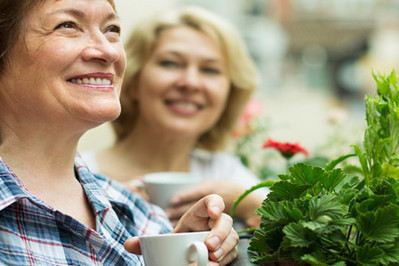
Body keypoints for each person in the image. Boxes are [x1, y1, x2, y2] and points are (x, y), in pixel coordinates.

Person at [0, 0, 238, 265]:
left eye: (112, 29)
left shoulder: (143, 216)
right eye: (67, 25)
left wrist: (181, 255)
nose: (108, 51)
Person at [81, 6, 267, 227]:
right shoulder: (81, 172)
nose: (190, 82)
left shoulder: (226, 173)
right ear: (132, 82)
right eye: (170, 63)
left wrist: (244, 202)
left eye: (210, 70)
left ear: (229, 93)